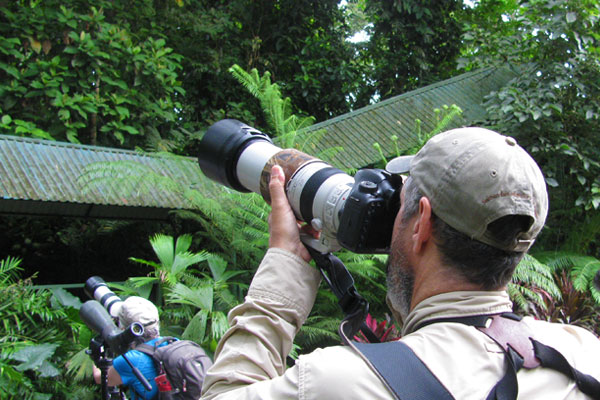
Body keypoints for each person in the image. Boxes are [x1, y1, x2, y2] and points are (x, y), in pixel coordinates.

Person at [200, 127, 600, 399]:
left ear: (421, 222)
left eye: (400, 201)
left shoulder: (337, 383)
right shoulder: (581, 354)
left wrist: (283, 271)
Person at [93, 296, 164, 400]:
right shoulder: (175, 343)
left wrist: (98, 349)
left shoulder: (132, 360)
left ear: (124, 329)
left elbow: (100, 377)